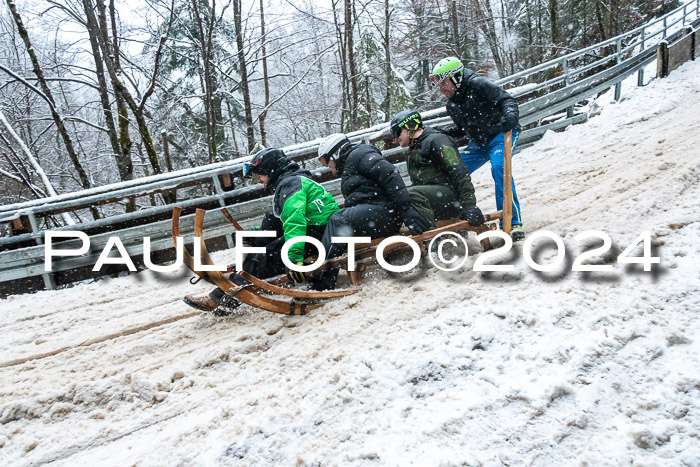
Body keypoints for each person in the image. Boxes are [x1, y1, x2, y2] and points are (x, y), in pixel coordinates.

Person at [183, 147, 340, 313]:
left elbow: (295, 220)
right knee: (265, 241)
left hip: (318, 234)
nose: (258, 180)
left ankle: (220, 297)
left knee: (264, 257)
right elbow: (282, 221)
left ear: (270, 171)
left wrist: (294, 258)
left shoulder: (290, 184)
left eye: (260, 175)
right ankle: (228, 296)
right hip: (322, 231)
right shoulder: (294, 180)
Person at [430, 56, 525, 241]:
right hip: (478, 143)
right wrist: (446, 134)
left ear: (456, 78)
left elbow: (507, 101)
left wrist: (510, 116)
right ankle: (457, 220)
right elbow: (464, 128)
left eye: (444, 83)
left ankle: (513, 222)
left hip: (501, 134)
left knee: (500, 168)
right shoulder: (452, 105)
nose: (442, 89)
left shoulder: (479, 85)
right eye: (439, 85)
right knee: (451, 170)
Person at [315, 133, 430, 262]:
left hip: (385, 214)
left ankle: (321, 274)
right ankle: (322, 269)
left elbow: (390, 176)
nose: (327, 166)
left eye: (325, 161)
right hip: (375, 216)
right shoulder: (350, 165)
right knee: (332, 223)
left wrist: (407, 211)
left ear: (335, 153)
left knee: (338, 220)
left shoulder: (360, 155)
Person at [390, 109, 484, 229]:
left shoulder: (438, 140)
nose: (395, 139)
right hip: (433, 201)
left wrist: (470, 205)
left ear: (410, 126)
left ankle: (430, 236)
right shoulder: (413, 150)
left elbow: (459, 172)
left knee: (411, 193)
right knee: (404, 196)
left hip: (451, 198)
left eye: (397, 133)